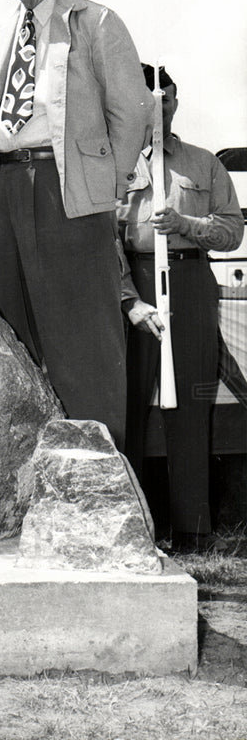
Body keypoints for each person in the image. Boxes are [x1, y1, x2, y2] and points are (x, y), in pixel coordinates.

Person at [0, 0, 153, 447]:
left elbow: (132, 111)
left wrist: (105, 187)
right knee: (11, 343)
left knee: (86, 350)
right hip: (4, 190)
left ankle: (103, 488)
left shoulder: (97, 22)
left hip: (68, 193)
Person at [118, 65, 244, 551]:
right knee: (127, 406)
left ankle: (194, 530)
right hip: (135, 283)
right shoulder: (116, 161)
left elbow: (233, 231)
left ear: (175, 101)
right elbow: (103, 239)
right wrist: (129, 298)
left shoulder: (203, 162)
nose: (157, 107)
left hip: (190, 282)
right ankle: (128, 528)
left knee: (191, 405)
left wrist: (186, 223)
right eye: (148, 99)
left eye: (165, 98)